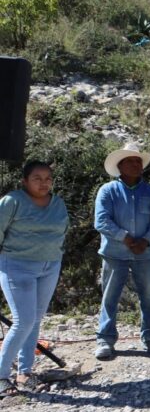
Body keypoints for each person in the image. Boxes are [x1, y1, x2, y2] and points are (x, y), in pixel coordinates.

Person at [0, 161, 68, 397]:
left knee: (36, 318)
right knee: (23, 320)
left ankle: (25, 372)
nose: (44, 183)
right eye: (37, 178)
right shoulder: (12, 202)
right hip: (17, 266)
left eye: (48, 178)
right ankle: (1, 375)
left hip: (50, 265)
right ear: (25, 181)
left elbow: (62, 230)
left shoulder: (57, 203)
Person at [94, 143, 150, 360]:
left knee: (148, 296)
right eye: (131, 161)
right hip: (115, 252)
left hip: (145, 253)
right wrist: (125, 237)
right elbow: (101, 220)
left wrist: (146, 240)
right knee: (110, 296)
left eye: (138, 161)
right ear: (120, 166)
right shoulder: (107, 191)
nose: (136, 165)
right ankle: (105, 340)